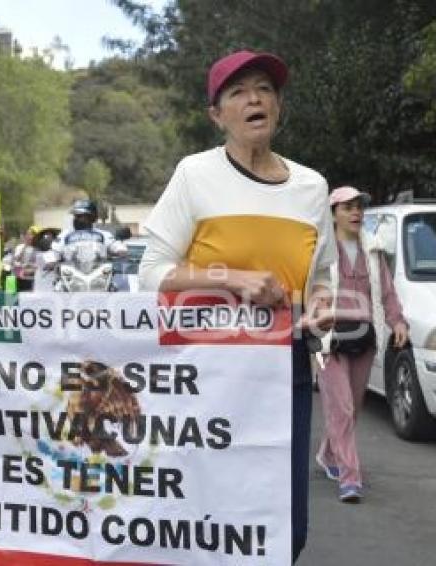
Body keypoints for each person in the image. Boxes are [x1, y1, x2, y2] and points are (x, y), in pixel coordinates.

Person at [138, 50, 336, 562]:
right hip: (203, 371)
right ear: (216, 114)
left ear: (279, 107)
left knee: (283, 528)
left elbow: (323, 281)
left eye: (265, 89)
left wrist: (321, 309)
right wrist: (232, 280)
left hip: (282, 371)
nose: (255, 99)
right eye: (239, 91)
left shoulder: (312, 187)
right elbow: (151, 273)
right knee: (202, 516)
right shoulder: (194, 174)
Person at [315, 186, 408, 503]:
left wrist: (397, 322)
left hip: (364, 339)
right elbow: (307, 288)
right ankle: (350, 477)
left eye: (359, 207)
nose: (356, 213)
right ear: (333, 214)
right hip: (329, 340)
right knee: (341, 407)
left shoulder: (373, 250)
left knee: (351, 409)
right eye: (348, 207)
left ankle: (329, 455)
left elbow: (388, 293)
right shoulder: (321, 251)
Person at [46, 199, 127, 267]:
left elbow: (114, 245)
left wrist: (120, 250)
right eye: (76, 216)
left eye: (82, 216)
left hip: (98, 275)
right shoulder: (65, 235)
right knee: (58, 286)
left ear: (92, 217)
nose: (77, 219)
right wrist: (51, 260)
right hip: (70, 277)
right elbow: (54, 250)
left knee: (114, 285)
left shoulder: (104, 235)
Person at [10, 225, 42, 291]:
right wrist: (25, 246)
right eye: (28, 234)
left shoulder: (40, 250)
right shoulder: (19, 247)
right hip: (19, 279)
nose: (30, 236)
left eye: (33, 234)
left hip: (33, 281)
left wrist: (29, 270)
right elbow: (14, 262)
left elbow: (39, 267)